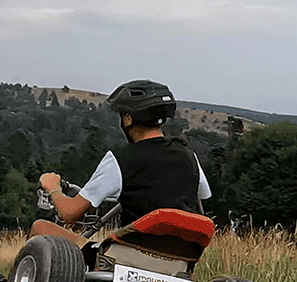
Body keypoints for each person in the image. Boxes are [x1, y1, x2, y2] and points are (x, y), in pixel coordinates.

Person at [33, 80, 211, 243]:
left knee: (40, 227)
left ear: (128, 118)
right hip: (181, 262)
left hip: (128, 262)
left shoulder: (120, 159)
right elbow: (201, 201)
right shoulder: (189, 156)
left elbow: (69, 213)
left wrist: (53, 188)